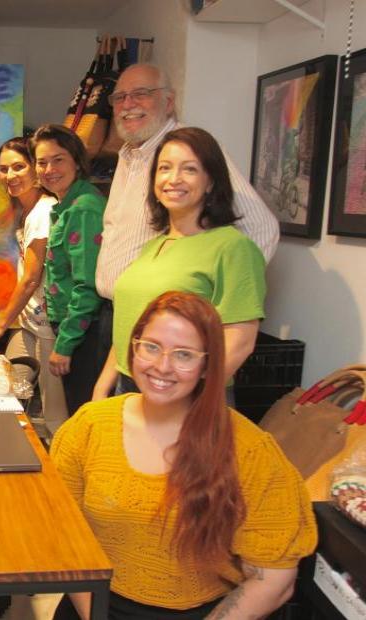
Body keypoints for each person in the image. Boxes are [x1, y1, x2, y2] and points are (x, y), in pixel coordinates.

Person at [51, 292, 315, 620]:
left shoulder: (249, 450)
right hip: (93, 604)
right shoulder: (89, 427)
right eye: (151, 346)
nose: (162, 366)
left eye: (184, 355)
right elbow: (62, 535)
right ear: (133, 348)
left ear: (207, 365)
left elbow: (274, 579)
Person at [95, 63, 278, 360]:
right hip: (121, 318)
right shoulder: (130, 155)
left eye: (141, 94)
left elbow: (262, 228)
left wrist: (206, 304)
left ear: (168, 101)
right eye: (120, 97)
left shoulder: (190, 147)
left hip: (169, 332)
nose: (128, 104)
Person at [93, 127, 265, 400]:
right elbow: (130, 323)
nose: (173, 179)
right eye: (164, 168)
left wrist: (191, 399)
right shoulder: (153, 246)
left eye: (189, 169)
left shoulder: (232, 247)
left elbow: (239, 339)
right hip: (130, 386)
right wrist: (103, 385)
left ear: (210, 182)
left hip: (187, 394)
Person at [0, 137, 68, 431]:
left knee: (54, 413)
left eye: (19, 167)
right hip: (31, 323)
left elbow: (32, 278)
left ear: (36, 169)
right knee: (7, 391)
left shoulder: (45, 211)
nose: (9, 176)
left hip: (48, 326)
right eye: (4, 169)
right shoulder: (29, 211)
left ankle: (60, 473)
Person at [30, 124, 106, 416]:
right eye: (42, 162)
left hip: (85, 333)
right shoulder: (65, 205)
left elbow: (87, 284)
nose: (49, 169)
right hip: (73, 329)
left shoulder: (83, 208)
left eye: (58, 159)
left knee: (85, 414)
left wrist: (65, 344)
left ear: (76, 160)